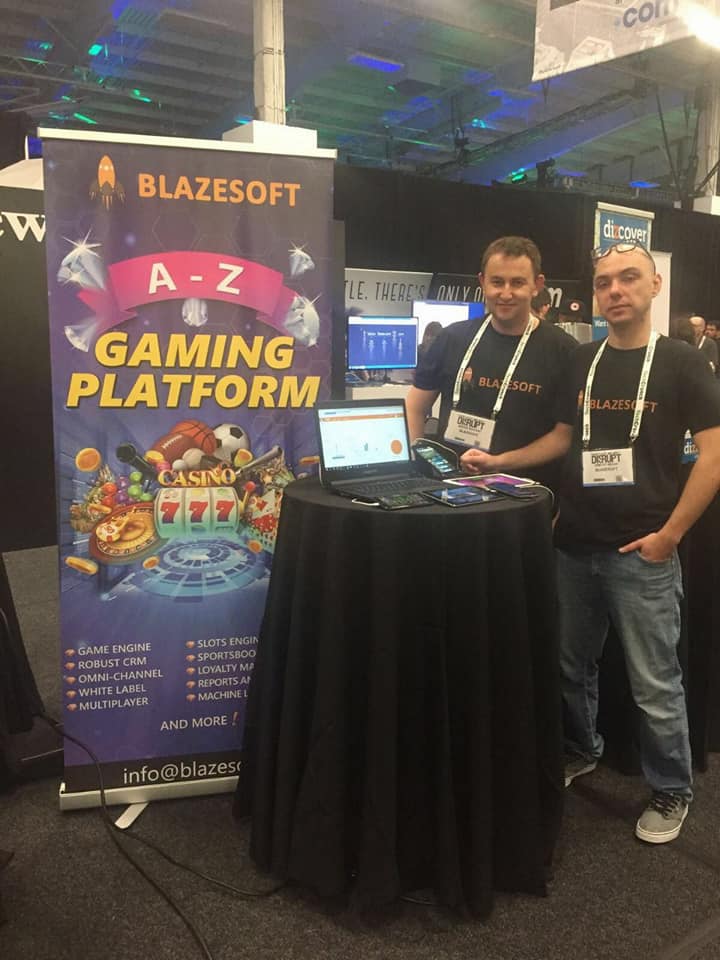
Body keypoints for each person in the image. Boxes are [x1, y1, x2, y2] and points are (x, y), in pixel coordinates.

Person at [555, 241, 720, 844]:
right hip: (574, 547)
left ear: (655, 285)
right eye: (604, 282)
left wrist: (669, 536)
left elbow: (714, 456)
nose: (615, 290)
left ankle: (672, 788)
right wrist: (500, 465)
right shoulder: (581, 359)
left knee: (654, 683)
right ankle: (582, 748)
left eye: (628, 278)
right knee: (569, 666)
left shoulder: (682, 362)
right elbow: (564, 439)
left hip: (642, 553)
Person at [405, 236, 577, 489]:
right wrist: (417, 469)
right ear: (482, 282)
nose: (505, 293)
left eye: (517, 283)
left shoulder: (564, 350)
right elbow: (414, 407)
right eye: (497, 282)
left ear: (537, 285)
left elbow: (563, 436)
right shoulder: (452, 338)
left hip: (525, 496)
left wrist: (499, 463)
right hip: (451, 490)